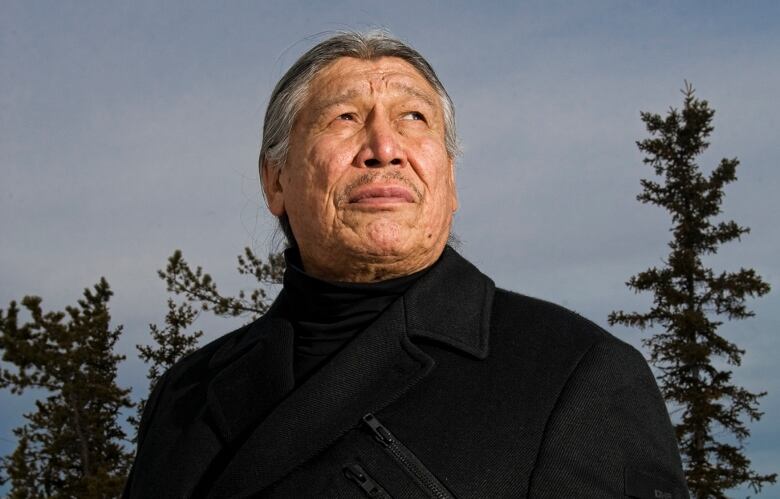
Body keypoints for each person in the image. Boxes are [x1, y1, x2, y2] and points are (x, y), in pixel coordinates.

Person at [124, 31, 689, 498]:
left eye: (414, 118)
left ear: (449, 178)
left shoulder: (576, 374)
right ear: (275, 180)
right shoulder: (185, 395)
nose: (383, 146)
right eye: (344, 116)